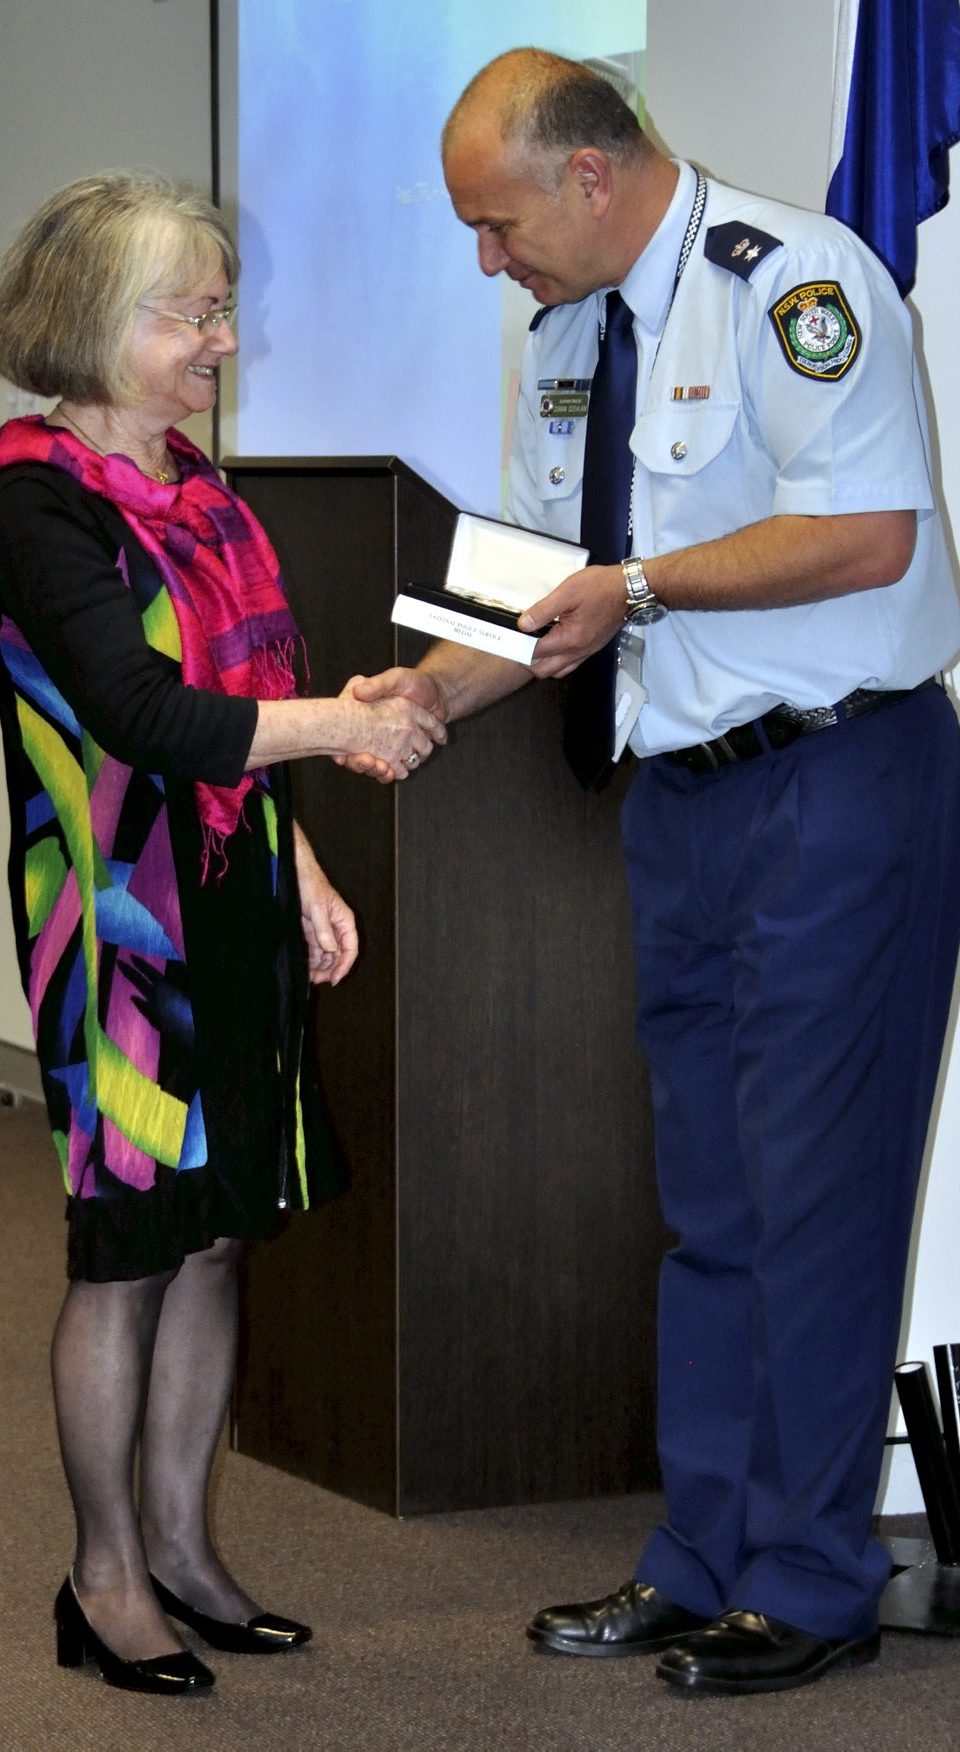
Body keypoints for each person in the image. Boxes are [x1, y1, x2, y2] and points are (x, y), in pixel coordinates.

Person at [342, 49, 960, 1695]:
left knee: (817, 1199)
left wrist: (637, 582)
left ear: (593, 174)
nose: (488, 258)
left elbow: (871, 531)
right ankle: (700, 1557)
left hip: (838, 783)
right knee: (711, 1207)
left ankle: (815, 1578)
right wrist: (430, 692)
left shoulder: (798, 283)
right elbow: (551, 591)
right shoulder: (563, 337)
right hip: (679, 802)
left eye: (497, 221)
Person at [0, 171, 444, 1696]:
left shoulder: (199, 490)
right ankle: (104, 1575)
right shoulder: (31, 501)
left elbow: (230, 723)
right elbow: (147, 714)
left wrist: (302, 855)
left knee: (217, 1232)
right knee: (129, 1250)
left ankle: (185, 1550)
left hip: (232, 896)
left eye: (222, 306)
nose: (223, 341)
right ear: (92, 321)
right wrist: (351, 725)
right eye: (191, 310)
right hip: (117, 933)